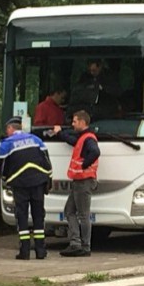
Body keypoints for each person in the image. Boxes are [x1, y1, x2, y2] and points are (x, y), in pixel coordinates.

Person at [0, 117, 52, 260]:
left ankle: (25, 251)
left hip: (20, 183)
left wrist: (6, 181)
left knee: (22, 216)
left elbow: (2, 167)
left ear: (11, 129)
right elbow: (47, 161)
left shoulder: (6, 143)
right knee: (38, 215)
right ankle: (41, 250)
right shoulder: (36, 139)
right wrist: (48, 179)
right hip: (38, 182)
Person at [52, 110, 100, 257]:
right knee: (69, 211)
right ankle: (75, 243)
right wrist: (60, 133)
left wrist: (84, 165)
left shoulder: (89, 139)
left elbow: (95, 152)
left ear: (82, 122)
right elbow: (73, 141)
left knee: (83, 214)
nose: (72, 124)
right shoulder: (83, 138)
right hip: (79, 181)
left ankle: (84, 246)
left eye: (74, 121)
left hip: (84, 181)